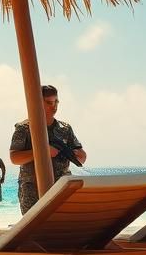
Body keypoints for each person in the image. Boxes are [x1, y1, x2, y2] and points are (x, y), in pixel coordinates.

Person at [9, 85, 87, 216]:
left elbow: (82, 156)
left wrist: (77, 155)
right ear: (38, 102)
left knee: (61, 227)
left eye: (56, 102)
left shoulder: (65, 128)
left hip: (61, 187)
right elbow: (14, 158)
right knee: (35, 228)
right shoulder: (24, 128)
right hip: (32, 188)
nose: (54, 106)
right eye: (49, 102)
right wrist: (42, 152)